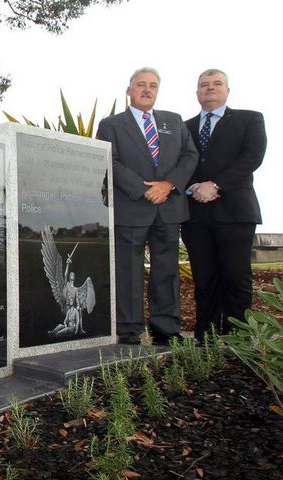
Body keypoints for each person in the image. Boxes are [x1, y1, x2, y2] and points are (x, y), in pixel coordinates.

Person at [97, 68, 198, 344]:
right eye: (141, 84)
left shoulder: (174, 121)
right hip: (132, 208)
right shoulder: (111, 124)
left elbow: (190, 156)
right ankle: (129, 329)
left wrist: (168, 185)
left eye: (153, 85)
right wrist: (144, 190)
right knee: (128, 271)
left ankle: (166, 329)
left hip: (169, 207)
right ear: (129, 90)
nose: (147, 89)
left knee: (167, 270)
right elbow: (110, 161)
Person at [182, 69, 266, 337]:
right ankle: (204, 338)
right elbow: (179, 163)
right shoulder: (184, 128)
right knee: (204, 280)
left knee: (236, 278)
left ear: (227, 90)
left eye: (217, 84)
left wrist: (216, 185)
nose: (210, 88)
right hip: (195, 215)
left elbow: (252, 157)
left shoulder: (250, 120)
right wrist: (195, 186)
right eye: (204, 85)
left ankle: (238, 338)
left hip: (236, 212)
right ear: (197, 93)